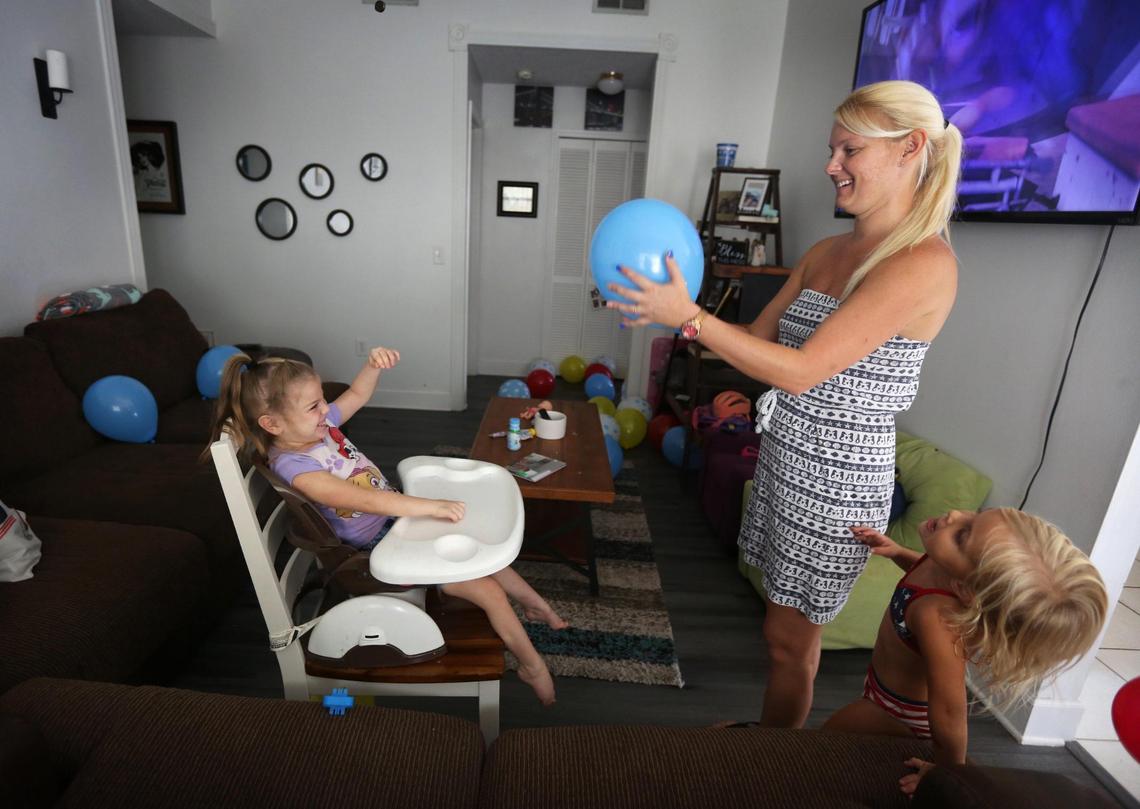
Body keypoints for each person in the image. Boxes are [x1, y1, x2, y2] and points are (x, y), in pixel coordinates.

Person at [607, 80, 963, 727]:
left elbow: (801, 372)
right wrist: (686, 317)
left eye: (848, 150)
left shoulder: (922, 263)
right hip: (782, 460)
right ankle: (775, 745)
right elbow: (753, 341)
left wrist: (688, 317)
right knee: (779, 630)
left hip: (836, 482)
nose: (831, 166)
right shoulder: (827, 252)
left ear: (911, 147)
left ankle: (775, 761)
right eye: (833, 149)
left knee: (790, 643)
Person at [205, 347, 567, 705]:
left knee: (475, 540)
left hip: (392, 524)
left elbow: (357, 394)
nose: (325, 411)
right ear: (272, 424)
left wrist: (372, 365)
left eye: (321, 401)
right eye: (313, 406)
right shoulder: (295, 466)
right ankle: (532, 665)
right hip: (375, 550)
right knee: (487, 590)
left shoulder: (318, 427)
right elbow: (363, 500)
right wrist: (428, 506)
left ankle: (535, 605)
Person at [823, 508, 1107, 796]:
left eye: (962, 535)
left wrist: (949, 776)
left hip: (896, 711)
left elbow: (949, 712)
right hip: (880, 687)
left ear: (964, 590)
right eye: (974, 517)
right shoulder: (941, 566)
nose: (954, 514)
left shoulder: (937, 618)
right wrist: (897, 552)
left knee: (821, 743)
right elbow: (922, 572)